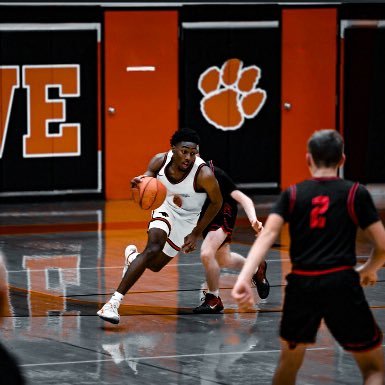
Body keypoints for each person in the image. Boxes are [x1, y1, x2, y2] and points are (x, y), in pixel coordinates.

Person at [232, 129, 385, 385]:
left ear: (308, 159)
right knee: (373, 368)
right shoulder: (354, 193)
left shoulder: (292, 194)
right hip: (342, 284)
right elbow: (382, 244)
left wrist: (244, 278)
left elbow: (267, 235)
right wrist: (370, 268)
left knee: (288, 365)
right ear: (342, 160)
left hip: (302, 287)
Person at [97, 128, 223, 324]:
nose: (189, 157)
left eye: (193, 153)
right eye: (184, 151)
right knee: (153, 246)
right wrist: (139, 182)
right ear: (173, 149)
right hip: (165, 206)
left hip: (188, 219)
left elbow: (217, 202)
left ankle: (132, 258)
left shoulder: (204, 174)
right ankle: (112, 304)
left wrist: (196, 233)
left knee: (155, 265)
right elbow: (147, 179)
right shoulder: (159, 161)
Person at [194, 160, 269, 314]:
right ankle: (256, 269)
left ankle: (213, 299)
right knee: (223, 259)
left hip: (223, 213)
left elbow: (243, 199)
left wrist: (253, 220)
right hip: (205, 215)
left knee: (207, 252)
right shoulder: (179, 176)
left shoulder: (216, 174)